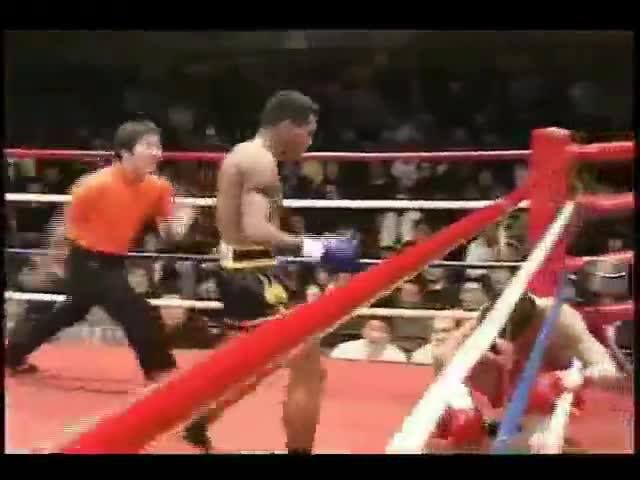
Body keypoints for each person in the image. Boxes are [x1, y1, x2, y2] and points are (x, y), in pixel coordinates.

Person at [182, 90, 359, 454]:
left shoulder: (245, 154)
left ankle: (198, 420)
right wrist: (315, 248)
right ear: (287, 126)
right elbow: (255, 229)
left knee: (255, 363)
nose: (309, 142)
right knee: (308, 364)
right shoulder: (260, 162)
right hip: (252, 273)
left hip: (244, 268)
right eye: (308, 132)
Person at [6, 120, 195, 383]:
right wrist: (54, 262)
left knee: (69, 312)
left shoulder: (159, 187)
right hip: (86, 259)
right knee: (136, 310)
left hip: (114, 260)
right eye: (148, 146)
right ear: (125, 152)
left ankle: (13, 353)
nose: (156, 153)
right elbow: (64, 226)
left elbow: (169, 234)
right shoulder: (93, 186)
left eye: (158, 146)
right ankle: (161, 370)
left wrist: (182, 221)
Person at [429, 290, 623, 453]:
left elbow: (604, 365)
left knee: (536, 436)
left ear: (532, 323)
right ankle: (459, 416)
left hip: (555, 384)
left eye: (516, 334)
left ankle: (535, 426)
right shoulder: (492, 314)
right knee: (473, 363)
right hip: (513, 379)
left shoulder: (560, 318)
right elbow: (443, 354)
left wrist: (581, 376)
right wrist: (461, 402)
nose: (512, 339)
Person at [330, 318, 407, 363]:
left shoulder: (396, 354)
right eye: (372, 329)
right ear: (363, 331)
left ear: (389, 335)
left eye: (381, 330)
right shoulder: (344, 348)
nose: (375, 334)